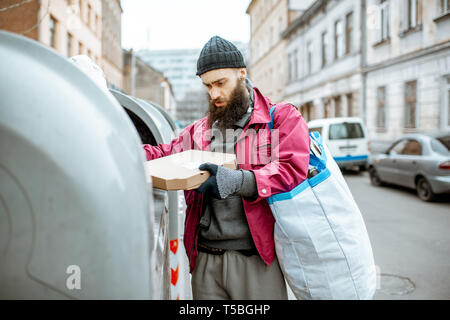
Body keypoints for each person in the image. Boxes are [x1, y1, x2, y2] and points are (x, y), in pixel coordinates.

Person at [143, 36, 310, 300]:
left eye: (221, 83)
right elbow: (162, 154)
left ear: (242, 73)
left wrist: (238, 181)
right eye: (207, 86)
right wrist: (120, 145)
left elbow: (292, 170)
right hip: (206, 262)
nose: (214, 94)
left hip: (256, 261)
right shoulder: (199, 131)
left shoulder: (281, 119)